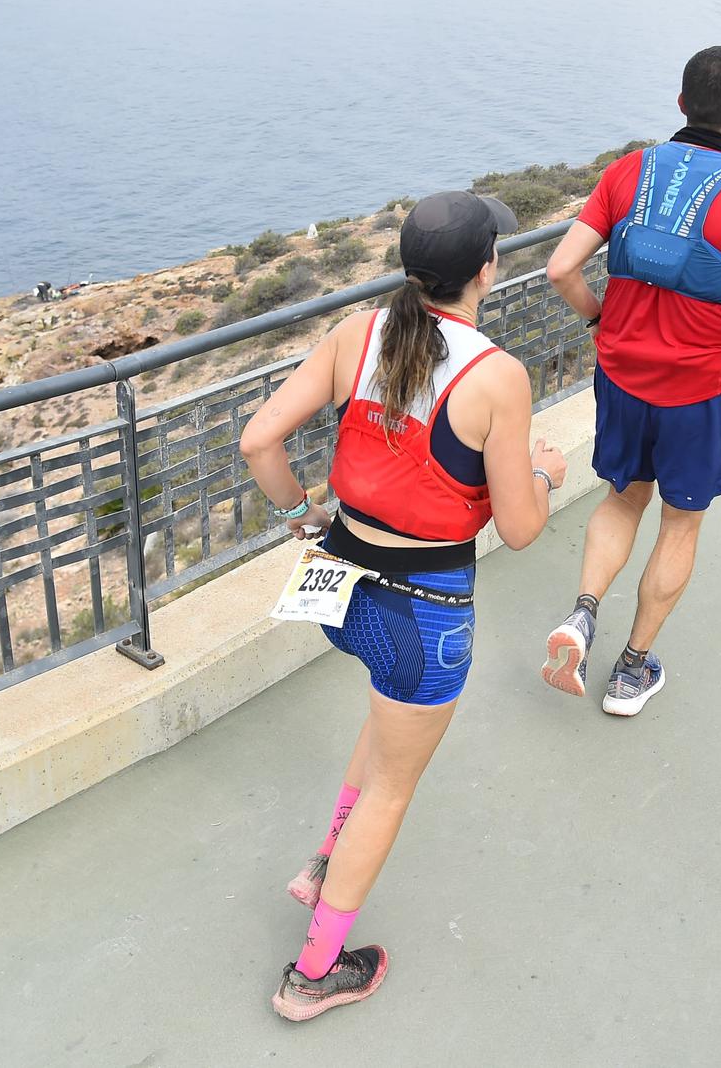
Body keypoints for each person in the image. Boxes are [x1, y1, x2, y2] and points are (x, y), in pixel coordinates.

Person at [238, 190, 565, 1022]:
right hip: (424, 616)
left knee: (383, 728)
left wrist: (297, 515)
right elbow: (520, 526)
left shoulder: (358, 333)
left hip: (345, 592)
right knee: (395, 784)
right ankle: (311, 976)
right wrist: (547, 474)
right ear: (486, 269)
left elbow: (257, 438)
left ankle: (323, 863)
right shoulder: (497, 376)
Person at [541, 46, 721, 716]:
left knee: (622, 499)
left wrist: (603, 320)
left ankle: (581, 616)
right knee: (680, 525)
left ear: (681, 104)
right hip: (698, 393)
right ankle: (631, 671)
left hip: (623, 381)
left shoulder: (628, 171)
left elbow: (560, 269)